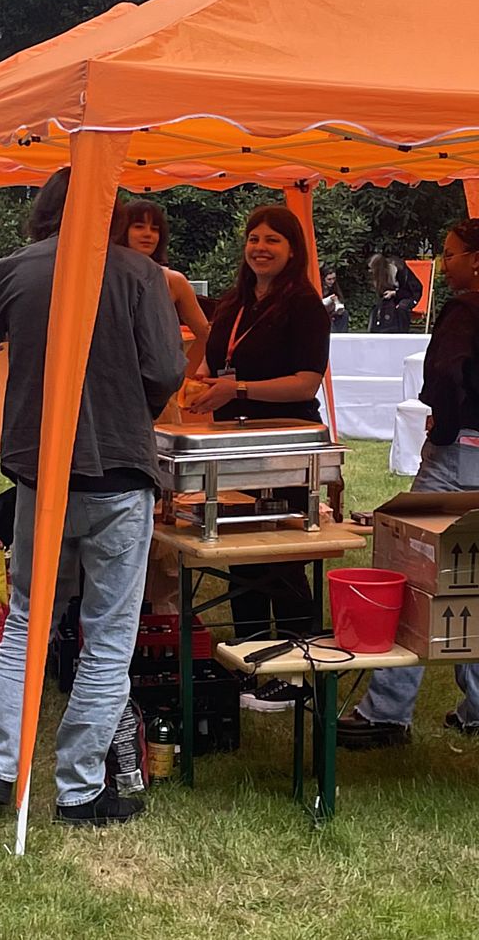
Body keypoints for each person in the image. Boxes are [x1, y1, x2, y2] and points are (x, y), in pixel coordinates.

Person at [0, 169, 186, 828]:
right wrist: (131, 407)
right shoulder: (138, 274)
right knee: (108, 631)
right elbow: (168, 369)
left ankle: (1, 767)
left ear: (44, 209)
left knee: (31, 616)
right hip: (119, 470)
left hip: (43, 472)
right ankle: (79, 787)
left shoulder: (15, 269)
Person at [340, 218, 479, 750]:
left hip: (458, 455)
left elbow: (443, 376)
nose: (445, 263)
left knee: (407, 577)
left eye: (452, 254)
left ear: (478, 259)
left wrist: (447, 427)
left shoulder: (467, 311)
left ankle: (385, 713)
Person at [185, 206, 332, 711]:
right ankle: (252, 665)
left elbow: (306, 381)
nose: (260, 247)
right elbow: (211, 362)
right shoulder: (233, 304)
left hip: (288, 445)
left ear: (293, 250)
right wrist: (202, 384)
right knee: (240, 555)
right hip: (233, 443)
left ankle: (299, 673)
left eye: (272, 239)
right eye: (253, 238)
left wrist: (238, 387)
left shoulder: (306, 307)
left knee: (282, 559)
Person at [111, 198, 211, 375]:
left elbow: (205, 333)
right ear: (122, 230)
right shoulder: (105, 277)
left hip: (157, 388)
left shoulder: (173, 280)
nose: (148, 234)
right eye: (139, 226)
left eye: (154, 229)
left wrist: (183, 377)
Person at [368, 253, 423, 333]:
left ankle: (402, 332)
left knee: (402, 307)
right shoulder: (382, 276)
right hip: (396, 295)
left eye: (372, 269)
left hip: (411, 294)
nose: (370, 271)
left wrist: (394, 293)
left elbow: (410, 292)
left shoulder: (398, 270)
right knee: (379, 306)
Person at [322, 268, 347, 332]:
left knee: (344, 314)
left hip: (333, 312)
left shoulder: (335, 288)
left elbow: (340, 299)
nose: (332, 281)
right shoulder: (320, 288)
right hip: (324, 313)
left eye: (334, 279)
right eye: (329, 279)